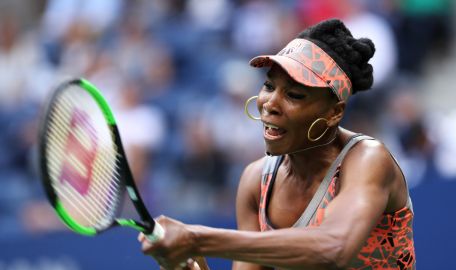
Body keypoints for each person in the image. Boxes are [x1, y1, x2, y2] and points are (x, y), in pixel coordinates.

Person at [138, 18, 415, 270]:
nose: (269, 104)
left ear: (334, 113)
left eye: (294, 94)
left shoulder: (368, 160)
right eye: (269, 86)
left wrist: (197, 239)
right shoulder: (255, 181)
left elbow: (334, 248)